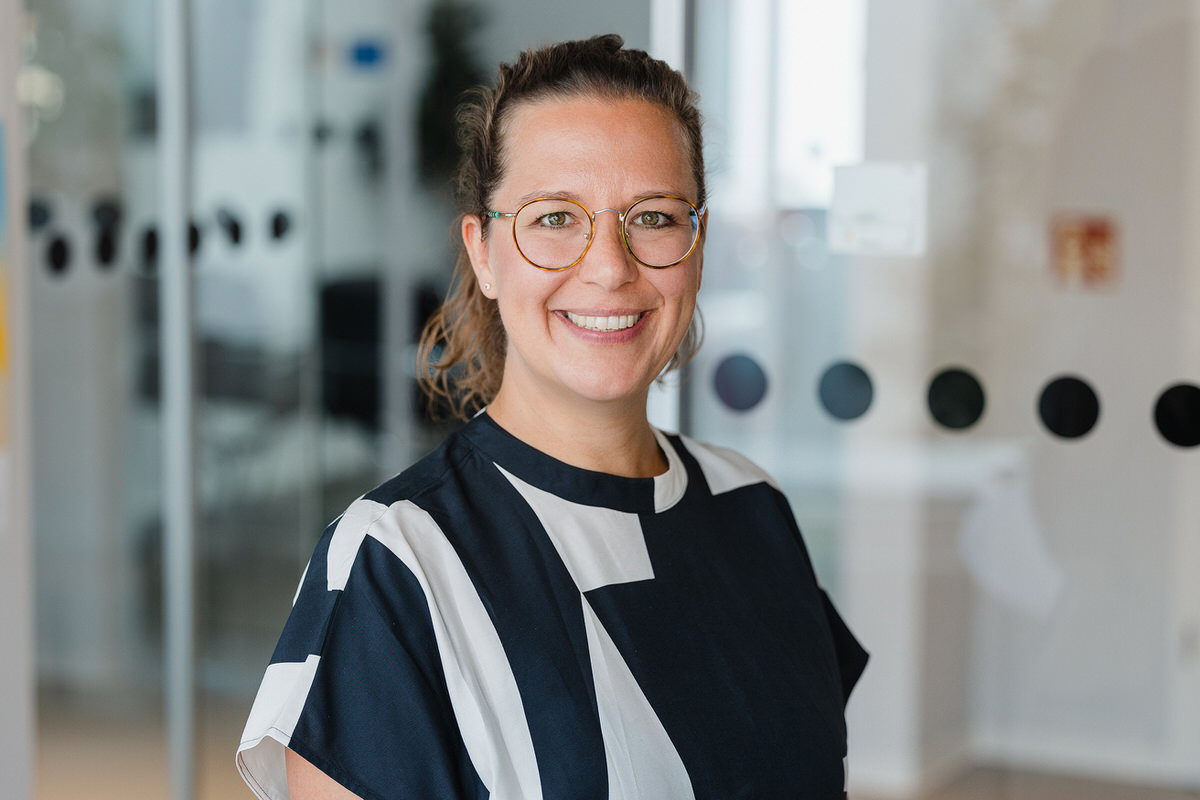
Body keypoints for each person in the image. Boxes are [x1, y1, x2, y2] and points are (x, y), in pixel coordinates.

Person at [236, 34, 867, 800]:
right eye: (555, 217)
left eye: (654, 217)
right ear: (483, 253)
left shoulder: (753, 505)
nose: (609, 266)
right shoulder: (397, 561)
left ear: (698, 245)